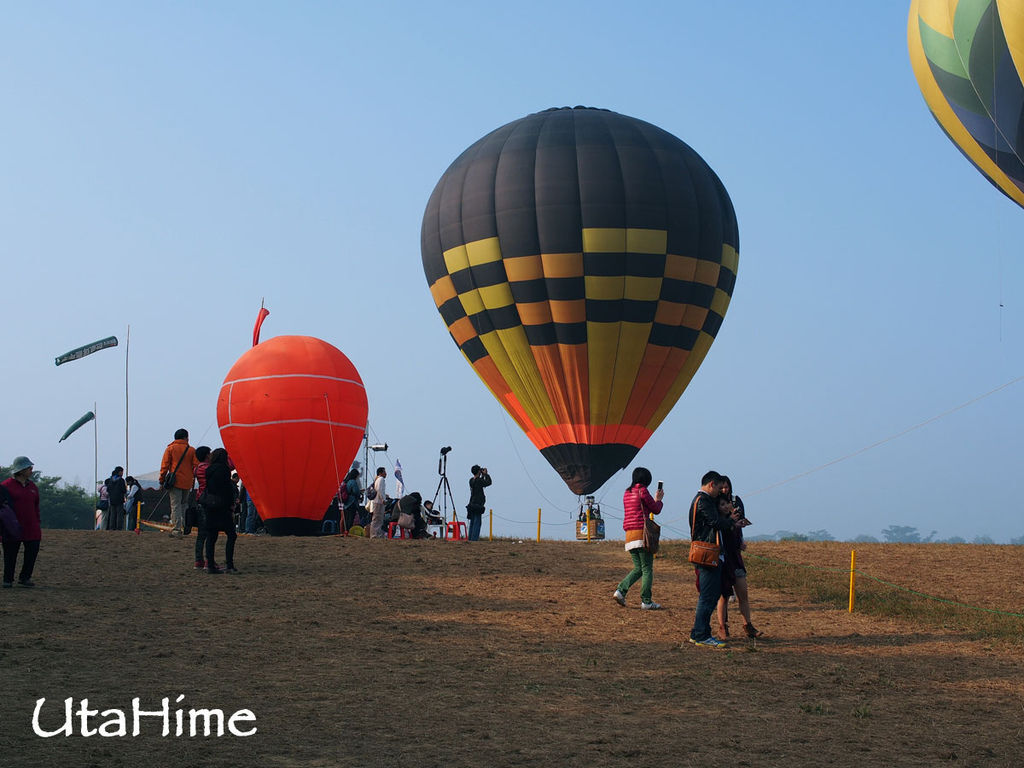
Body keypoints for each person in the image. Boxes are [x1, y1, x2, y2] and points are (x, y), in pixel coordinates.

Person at [688, 470, 745, 649]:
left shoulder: (703, 500)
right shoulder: (703, 501)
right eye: (719, 487)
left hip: (711, 552)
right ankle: (701, 634)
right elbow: (715, 522)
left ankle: (700, 632)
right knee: (708, 597)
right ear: (711, 484)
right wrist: (731, 522)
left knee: (709, 596)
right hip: (708, 554)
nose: (721, 491)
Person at [717, 477, 763, 639]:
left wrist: (740, 540)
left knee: (743, 593)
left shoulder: (735, 514)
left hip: (735, 559)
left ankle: (748, 625)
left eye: (726, 487)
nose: (724, 490)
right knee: (723, 596)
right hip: (723, 559)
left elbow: (737, 532)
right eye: (721, 487)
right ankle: (723, 627)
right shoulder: (718, 520)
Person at [613, 467, 664, 610]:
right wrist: (658, 500)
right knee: (647, 568)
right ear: (646, 480)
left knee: (638, 568)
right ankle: (646, 601)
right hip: (642, 534)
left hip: (629, 534)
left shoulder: (627, 493)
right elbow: (656, 509)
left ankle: (620, 591)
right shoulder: (643, 491)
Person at [2, 456, 42, 588]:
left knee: (32, 552)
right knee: (10, 554)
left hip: (31, 526)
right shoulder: (5, 486)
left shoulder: (32, 487)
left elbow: (36, 505)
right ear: (21, 470)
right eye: (29, 468)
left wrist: (37, 522)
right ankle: (8, 579)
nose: (31, 470)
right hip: (12, 526)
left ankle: (25, 577)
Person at [201, 448, 239, 574]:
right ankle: (229, 564)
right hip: (222, 507)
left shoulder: (209, 470)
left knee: (211, 536)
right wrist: (231, 504)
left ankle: (210, 564)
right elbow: (226, 490)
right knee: (231, 535)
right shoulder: (224, 470)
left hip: (210, 506)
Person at [160, 428, 198, 537]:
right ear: (186, 437)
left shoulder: (170, 449)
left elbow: (165, 466)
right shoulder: (191, 450)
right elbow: (196, 466)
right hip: (187, 482)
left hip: (174, 482)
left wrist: (162, 480)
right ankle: (185, 526)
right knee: (184, 504)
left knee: (175, 505)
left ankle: (177, 529)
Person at [192, 446, 211, 569]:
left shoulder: (196, 469)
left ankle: (199, 561)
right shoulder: (208, 468)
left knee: (201, 534)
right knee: (210, 532)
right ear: (206, 456)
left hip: (200, 500)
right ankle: (209, 560)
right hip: (209, 500)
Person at [466, 465, 491, 541]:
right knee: (477, 522)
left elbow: (481, 483)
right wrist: (486, 475)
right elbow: (488, 482)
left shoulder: (471, 480)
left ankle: (470, 538)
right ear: (478, 471)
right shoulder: (479, 480)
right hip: (478, 504)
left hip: (472, 503)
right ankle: (474, 539)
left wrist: (482, 475)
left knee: (472, 522)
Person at [104, 467, 127, 531]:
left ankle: (112, 527)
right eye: (122, 472)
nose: (122, 473)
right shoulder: (121, 480)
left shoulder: (111, 480)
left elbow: (108, 489)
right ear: (119, 472)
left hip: (112, 499)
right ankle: (119, 528)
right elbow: (124, 490)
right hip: (119, 499)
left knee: (112, 514)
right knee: (119, 514)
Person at [368, 467, 387, 538]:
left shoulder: (377, 479)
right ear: (381, 473)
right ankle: (374, 534)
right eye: (384, 472)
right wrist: (383, 499)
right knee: (377, 518)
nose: (386, 474)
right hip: (379, 502)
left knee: (378, 518)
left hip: (377, 501)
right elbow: (379, 490)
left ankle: (377, 534)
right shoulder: (381, 479)